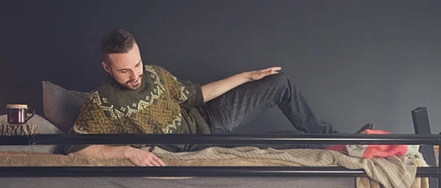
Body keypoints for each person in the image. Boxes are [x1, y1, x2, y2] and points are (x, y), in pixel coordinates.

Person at [71, 29, 372, 167]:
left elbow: (198, 95)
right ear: (106, 68)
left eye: (137, 64)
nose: (135, 75)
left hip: (207, 119)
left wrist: (246, 77)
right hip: (198, 145)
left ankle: (339, 139)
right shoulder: (100, 103)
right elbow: (76, 151)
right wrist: (127, 152)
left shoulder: (156, 74)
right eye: (124, 71)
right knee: (276, 143)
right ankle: (336, 149)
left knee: (278, 82)